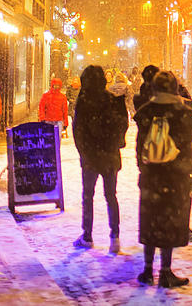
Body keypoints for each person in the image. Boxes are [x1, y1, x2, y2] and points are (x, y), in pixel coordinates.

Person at [134, 70, 192, 288]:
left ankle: (146, 270)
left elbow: (139, 146)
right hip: (175, 178)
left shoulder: (146, 112)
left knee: (150, 221)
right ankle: (165, 271)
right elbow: (191, 149)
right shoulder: (183, 113)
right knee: (169, 222)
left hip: (151, 177)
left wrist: (143, 168)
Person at [72, 64, 129, 253]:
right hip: (110, 156)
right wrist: (114, 144)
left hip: (91, 157)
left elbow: (78, 131)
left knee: (88, 196)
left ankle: (87, 235)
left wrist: (84, 152)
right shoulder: (111, 100)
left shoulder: (84, 101)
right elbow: (122, 125)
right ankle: (115, 236)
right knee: (111, 196)